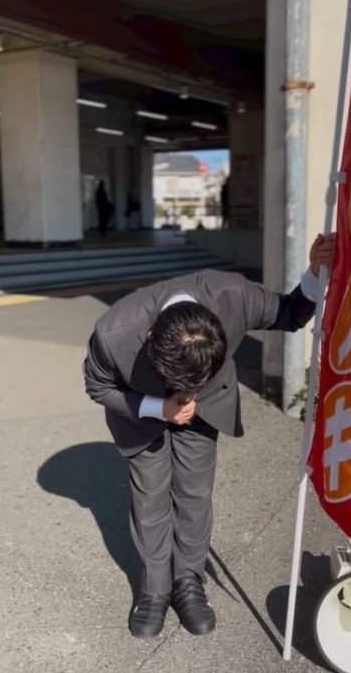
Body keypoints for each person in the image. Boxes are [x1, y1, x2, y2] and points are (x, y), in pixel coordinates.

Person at [83, 232, 336, 639]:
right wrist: (159, 407)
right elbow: (98, 386)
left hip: (207, 409)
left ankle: (188, 581)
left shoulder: (233, 296)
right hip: (141, 411)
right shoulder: (114, 332)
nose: (185, 392)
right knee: (150, 498)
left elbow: (290, 313)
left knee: (194, 494)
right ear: (150, 340)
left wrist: (314, 270)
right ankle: (154, 589)